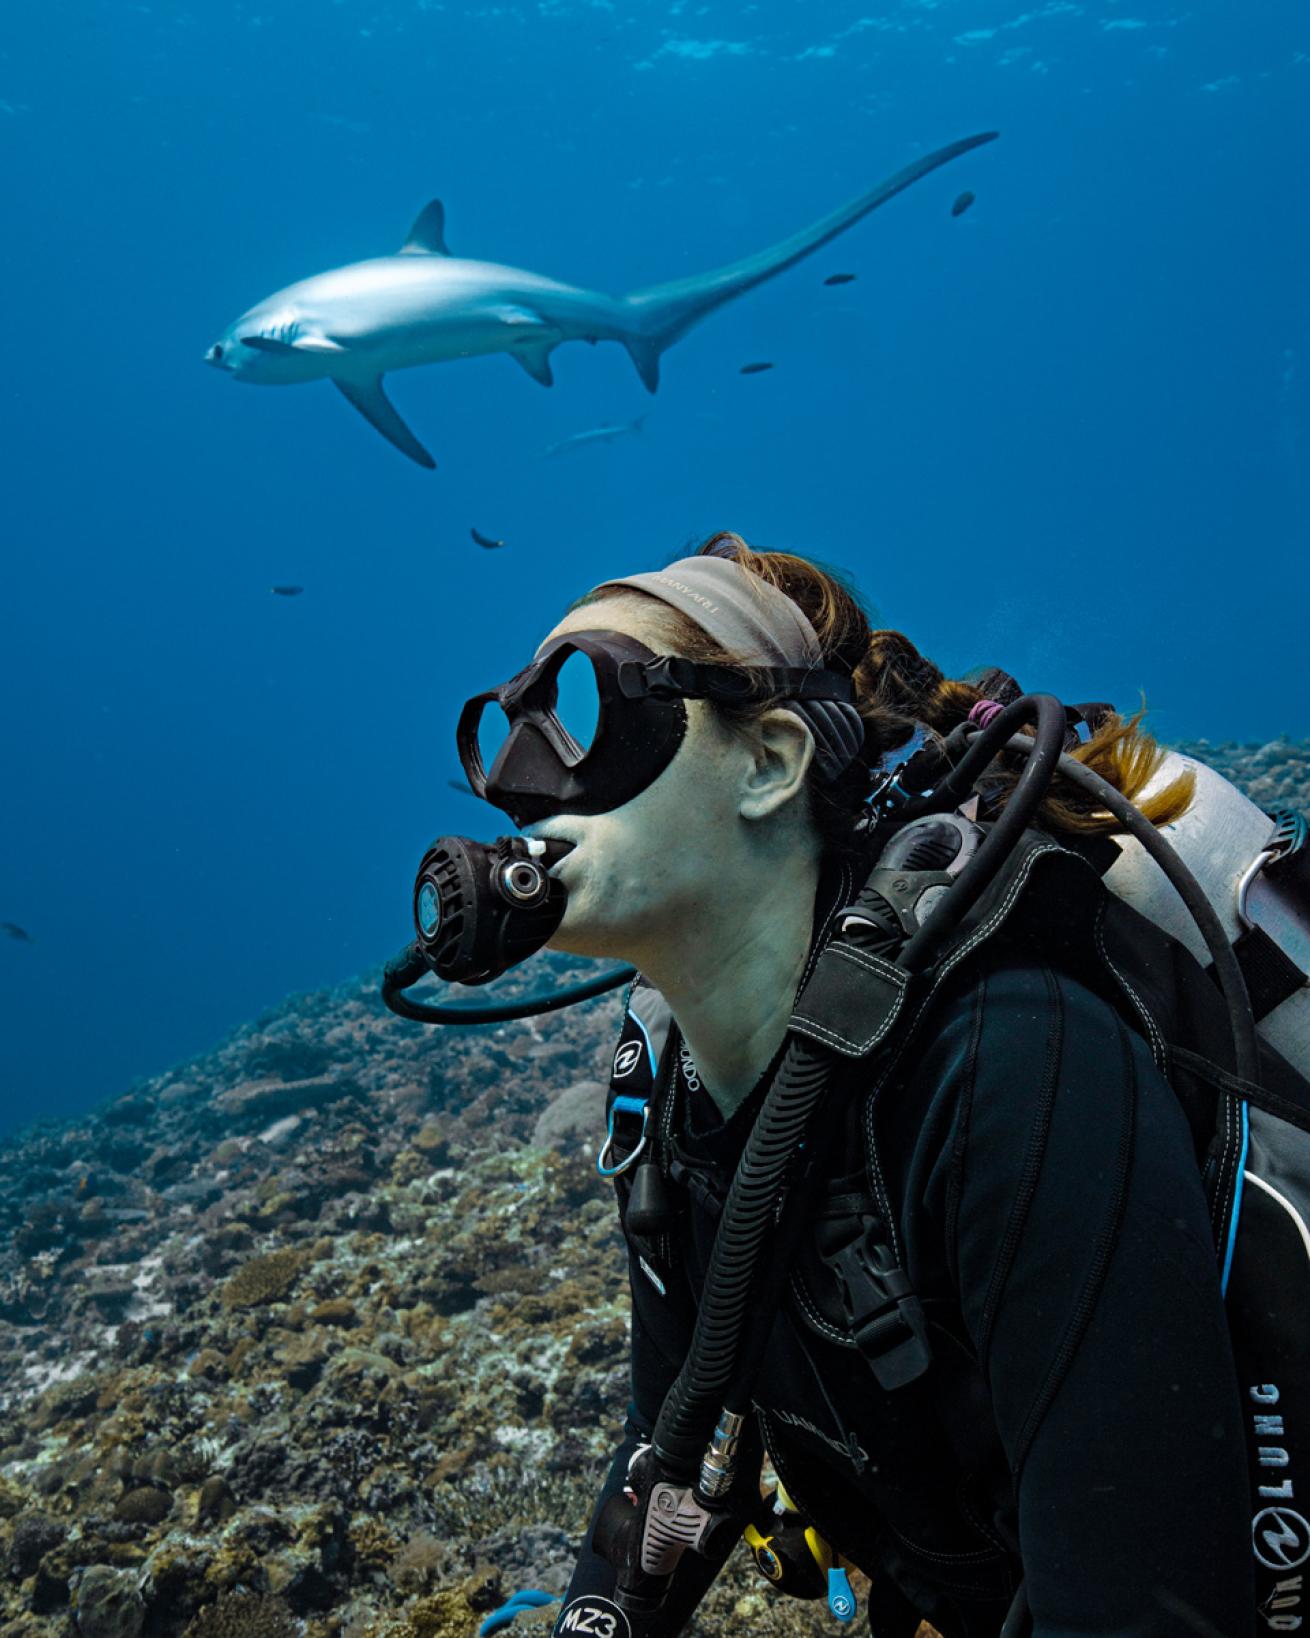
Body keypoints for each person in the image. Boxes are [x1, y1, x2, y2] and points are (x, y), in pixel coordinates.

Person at [477, 533, 1255, 1636]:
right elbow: (668, 1438)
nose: (519, 786)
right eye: (507, 730)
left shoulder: (1009, 1068)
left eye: (585, 710)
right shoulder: (664, 1095)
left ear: (769, 762)